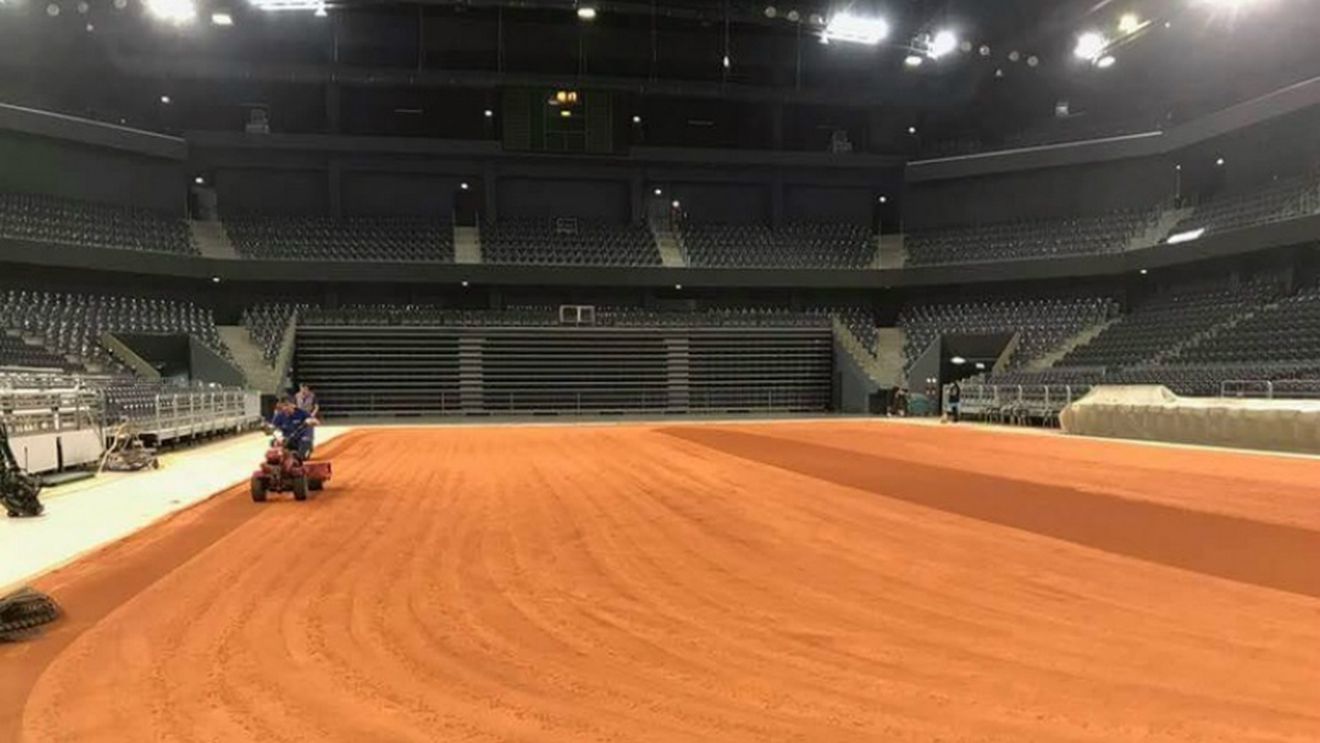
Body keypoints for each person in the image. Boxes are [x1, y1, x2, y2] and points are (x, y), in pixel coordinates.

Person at [269, 396, 318, 460]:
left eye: (286, 405)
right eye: (283, 406)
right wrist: (278, 436)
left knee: (304, 443)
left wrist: (310, 421)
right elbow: (273, 428)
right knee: (274, 442)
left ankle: (301, 454)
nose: (284, 408)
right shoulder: (279, 415)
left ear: (293, 405)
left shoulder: (301, 413)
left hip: (300, 440)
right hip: (287, 440)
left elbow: (316, 422)